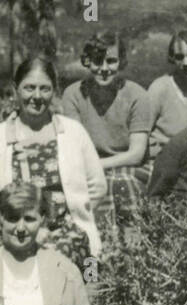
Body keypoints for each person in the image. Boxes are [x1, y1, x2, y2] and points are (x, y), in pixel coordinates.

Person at [0, 52, 107, 264]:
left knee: (51, 263)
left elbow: (97, 186)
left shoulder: (73, 132)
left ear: (54, 91)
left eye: (44, 88)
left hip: (67, 233)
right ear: (15, 89)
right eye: (29, 87)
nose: (37, 96)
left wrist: (74, 214)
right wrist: (20, 225)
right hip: (12, 232)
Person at [59, 31, 152, 232]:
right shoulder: (73, 95)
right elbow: (74, 148)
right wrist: (92, 167)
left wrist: (98, 165)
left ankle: (132, 244)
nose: (103, 69)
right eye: (97, 61)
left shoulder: (137, 95)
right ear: (87, 61)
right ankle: (97, 242)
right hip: (89, 165)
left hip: (129, 166)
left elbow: (136, 154)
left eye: (111, 61)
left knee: (120, 183)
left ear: (121, 62)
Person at [146, 28, 187, 164]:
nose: (185, 63)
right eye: (179, 57)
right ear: (172, 57)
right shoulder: (160, 88)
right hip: (160, 161)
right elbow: (142, 134)